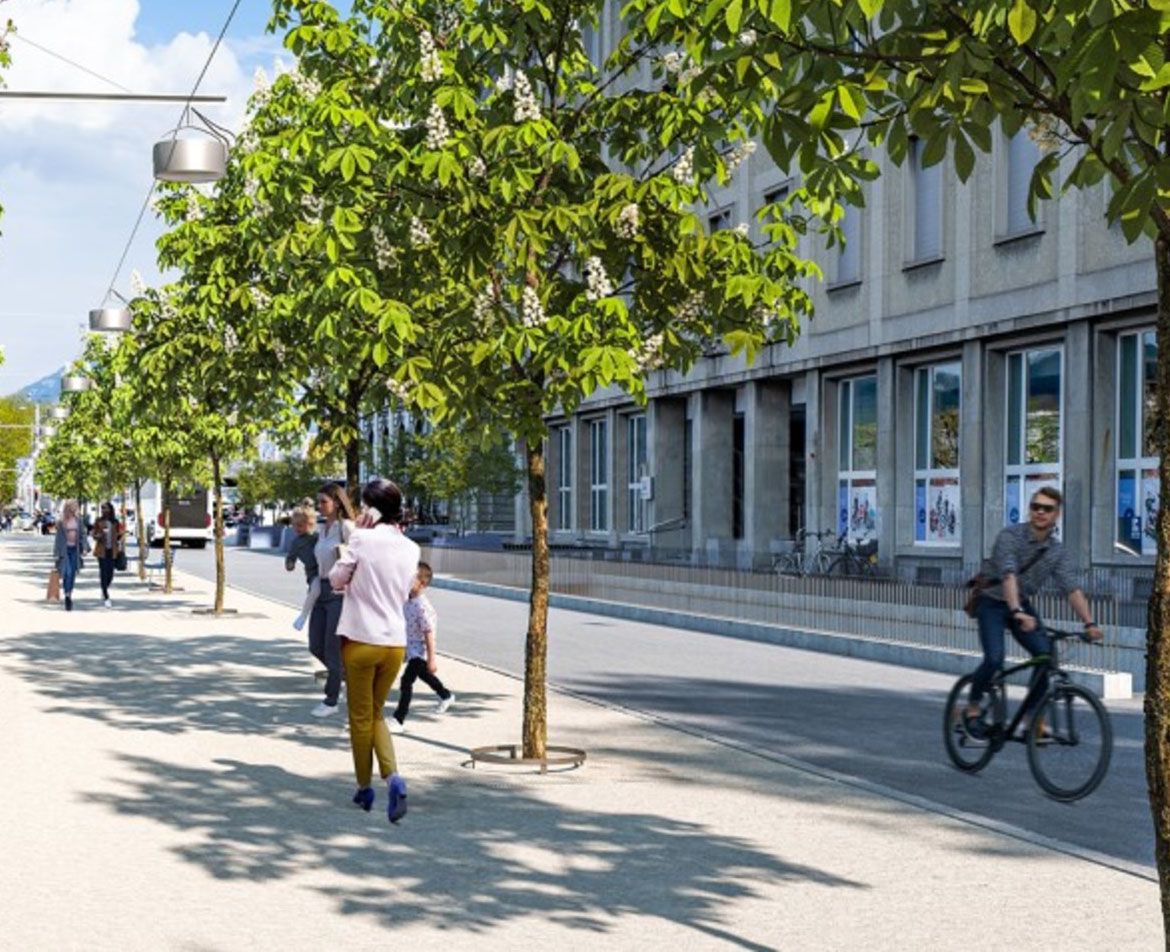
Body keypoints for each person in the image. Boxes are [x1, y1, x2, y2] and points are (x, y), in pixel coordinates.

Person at [965, 486, 1103, 734]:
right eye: (1035, 507)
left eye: (1047, 509)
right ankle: (973, 707)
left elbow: (1071, 588)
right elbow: (1008, 575)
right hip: (993, 602)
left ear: (1056, 514)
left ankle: (1031, 719)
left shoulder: (1056, 551)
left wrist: (1089, 623)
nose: (1039, 512)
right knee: (995, 658)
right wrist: (1017, 611)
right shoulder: (1010, 536)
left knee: (1046, 656)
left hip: (1021, 604)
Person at [329, 478, 418, 823]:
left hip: (360, 641)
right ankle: (393, 778)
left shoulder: (361, 538)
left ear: (373, 508)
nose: (362, 511)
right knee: (377, 712)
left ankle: (365, 787)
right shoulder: (411, 548)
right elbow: (408, 589)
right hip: (394, 644)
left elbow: (337, 580)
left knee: (360, 718)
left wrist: (351, 544)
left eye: (365, 505)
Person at [308, 482, 356, 718]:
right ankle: (348, 676)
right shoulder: (323, 528)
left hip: (340, 593)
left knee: (332, 647)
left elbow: (361, 556)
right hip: (321, 591)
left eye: (323, 501)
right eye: (318, 502)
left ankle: (331, 699)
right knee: (315, 645)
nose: (319, 506)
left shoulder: (346, 527)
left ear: (337, 502)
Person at [388, 561, 454, 734]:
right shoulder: (407, 601)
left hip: (421, 651)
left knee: (406, 682)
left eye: (411, 579)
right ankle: (446, 695)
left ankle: (398, 719)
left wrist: (432, 659)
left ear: (422, 583)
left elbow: (429, 634)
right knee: (424, 675)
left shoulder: (422, 606)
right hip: (411, 648)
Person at [284, 504, 320, 632]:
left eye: (300, 525)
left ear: (310, 524)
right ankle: (303, 616)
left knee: (316, 592)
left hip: (324, 568)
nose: (296, 528)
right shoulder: (296, 542)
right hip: (313, 572)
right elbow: (291, 556)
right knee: (315, 589)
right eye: (294, 525)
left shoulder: (316, 536)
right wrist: (290, 564)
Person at [53, 500, 90, 611]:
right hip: (65, 550)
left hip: (75, 550)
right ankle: (67, 594)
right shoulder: (61, 522)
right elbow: (58, 538)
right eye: (73, 507)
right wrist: (56, 552)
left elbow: (82, 535)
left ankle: (69, 592)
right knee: (67, 572)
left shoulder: (79, 521)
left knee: (73, 572)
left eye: (76, 507)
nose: (75, 509)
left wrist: (85, 547)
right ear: (68, 508)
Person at [92, 501, 124, 608]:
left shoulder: (115, 522)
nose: (103, 510)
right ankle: (106, 596)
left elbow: (120, 534)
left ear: (110, 509)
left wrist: (119, 534)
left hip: (112, 550)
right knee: (103, 573)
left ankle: (104, 587)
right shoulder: (98, 521)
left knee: (110, 574)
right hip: (102, 551)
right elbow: (94, 534)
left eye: (105, 508)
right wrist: (99, 535)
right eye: (102, 508)